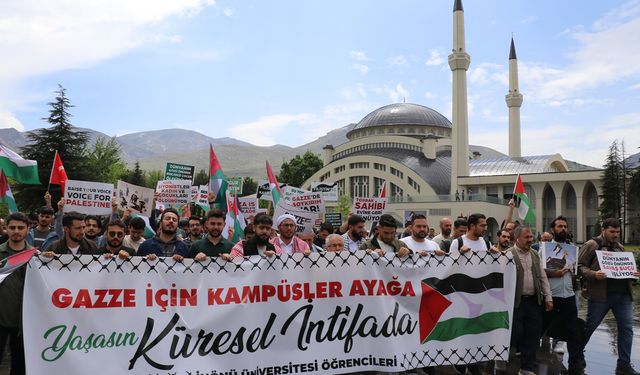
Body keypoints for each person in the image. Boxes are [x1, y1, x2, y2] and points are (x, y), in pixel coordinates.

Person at [578, 218, 640, 375]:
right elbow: (579, 266)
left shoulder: (620, 247)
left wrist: (633, 274)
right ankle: (576, 355)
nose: (615, 235)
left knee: (626, 329)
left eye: (618, 232)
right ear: (603, 229)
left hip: (623, 296)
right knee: (589, 327)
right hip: (601, 296)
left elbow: (626, 268)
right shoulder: (592, 245)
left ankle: (623, 364)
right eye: (612, 231)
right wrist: (593, 274)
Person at [509, 225, 553, 375]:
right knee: (517, 332)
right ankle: (510, 355)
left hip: (534, 302)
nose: (530, 240)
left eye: (531, 237)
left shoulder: (535, 254)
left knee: (533, 334)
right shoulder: (508, 255)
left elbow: (542, 276)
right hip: (516, 303)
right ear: (517, 238)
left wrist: (548, 297)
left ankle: (526, 368)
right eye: (526, 237)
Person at [543, 216, 582, 368]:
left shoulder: (572, 248)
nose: (563, 229)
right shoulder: (545, 249)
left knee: (572, 330)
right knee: (543, 327)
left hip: (569, 295)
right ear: (553, 229)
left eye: (565, 226)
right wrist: (555, 274)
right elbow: (540, 272)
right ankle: (529, 360)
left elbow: (575, 270)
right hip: (552, 294)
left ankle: (575, 362)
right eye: (559, 226)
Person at [0, 213, 34, 375]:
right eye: (12, 227)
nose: (16, 231)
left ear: (28, 229)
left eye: (20, 228)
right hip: (0, 319)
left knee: (20, 365)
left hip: (23, 322)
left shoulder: (36, 257)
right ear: (5, 228)